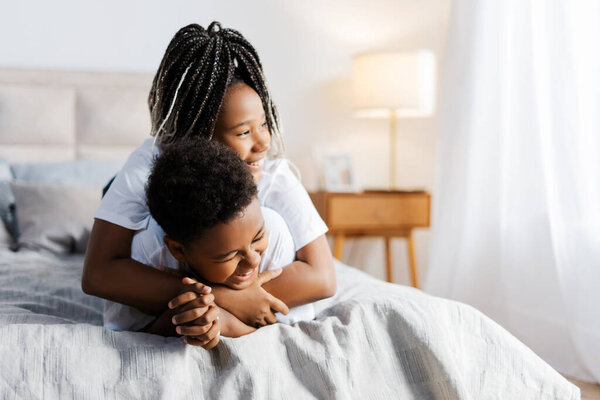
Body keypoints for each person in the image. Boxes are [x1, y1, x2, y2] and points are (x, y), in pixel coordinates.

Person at [82, 22, 336, 342]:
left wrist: (221, 302)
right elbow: (98, 274)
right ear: (201, 135)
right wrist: (225, 297)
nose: (263, 143)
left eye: (264, 125)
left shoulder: (272, 173)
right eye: (243, 132)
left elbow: (323, 278)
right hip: (153, 207)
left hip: (206, 267)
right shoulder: (147, 165)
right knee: (145, 231)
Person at [105, 139, 315, 349]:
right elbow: (122, 338)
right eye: (229, 255)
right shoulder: (148, 252)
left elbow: (290, 339)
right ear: (178, 250)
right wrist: (181, 316)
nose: (253, 260)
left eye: (258, 238)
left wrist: (227, 323)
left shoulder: (275, 232)